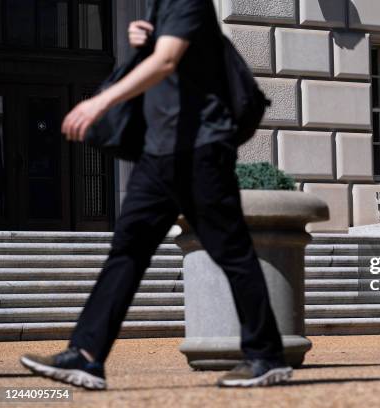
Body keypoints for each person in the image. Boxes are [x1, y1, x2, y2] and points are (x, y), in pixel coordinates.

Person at [19, 0, 291, 390]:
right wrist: (144, 41)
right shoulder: (163, 6)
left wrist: (99, 101)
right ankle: (86, 356)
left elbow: (166, 62)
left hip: (199, 149)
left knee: (231, 251)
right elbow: (170, 61)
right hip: (158, 153)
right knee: (126, 250)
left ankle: (266, 356)